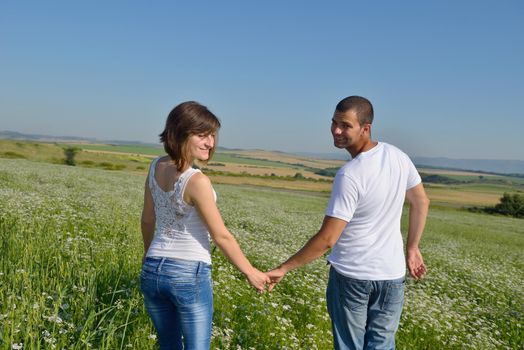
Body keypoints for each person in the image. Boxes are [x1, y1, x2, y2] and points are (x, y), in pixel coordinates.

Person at [266, 96, 429, 350]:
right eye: (333, 123)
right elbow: (421, 202)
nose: (336, 131)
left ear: (366, 128)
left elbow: (327, 239)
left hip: (353, 276)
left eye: (345, 125)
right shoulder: (398, 156)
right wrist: (412, 247)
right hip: (392, 276)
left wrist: (285, 268)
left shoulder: (350, 175)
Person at [140, 101, 269, 350]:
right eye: (202, 135)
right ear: (179, 134)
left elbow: (147, 219)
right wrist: (250, 272)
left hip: (153, 269)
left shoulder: (155, 166)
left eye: (212, 135)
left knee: (168, 345)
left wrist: (149, 256)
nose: (210, 142)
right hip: (188, 272)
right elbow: (221, 236)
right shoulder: (196, 180)